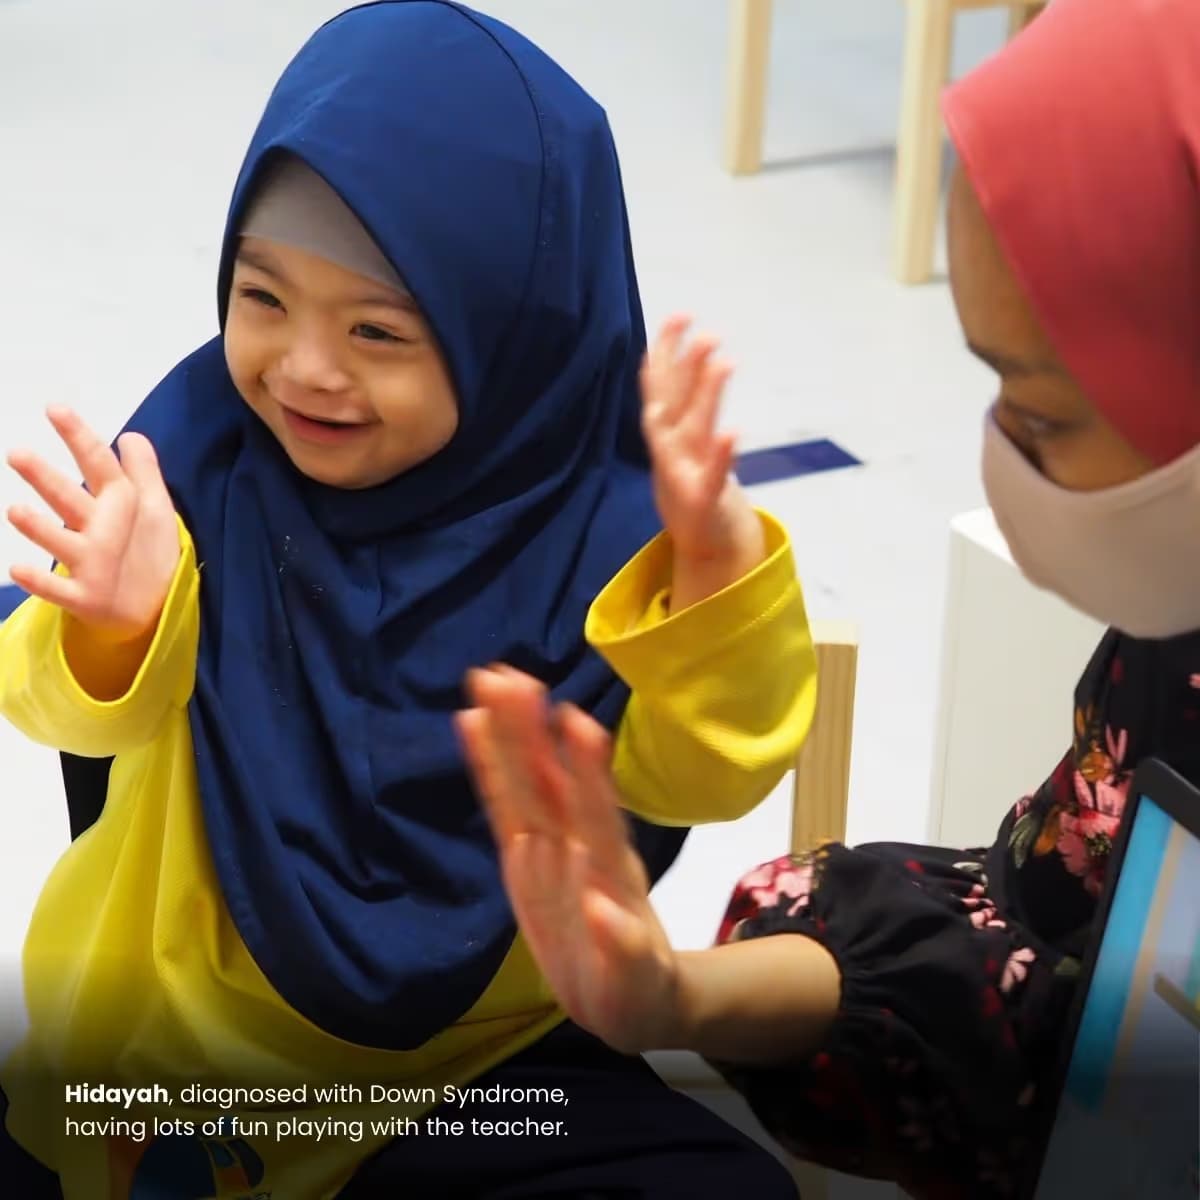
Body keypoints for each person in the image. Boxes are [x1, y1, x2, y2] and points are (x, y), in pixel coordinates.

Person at [0, 3, 818, 1196]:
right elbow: (69, 713)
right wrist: (114, 629)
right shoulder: (199, 454)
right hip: (169, 1057)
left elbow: (698, 773)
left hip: (474, 1068)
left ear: (516, 336)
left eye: (379, 330)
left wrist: (715, 570)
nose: (305, 369)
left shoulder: (595, 521)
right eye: (261, 298)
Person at [456, 1, 1200, 1196]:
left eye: (1046, 413)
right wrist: (673, 994)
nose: (1004, 461)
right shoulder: (1167, 662)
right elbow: (1036, 950)